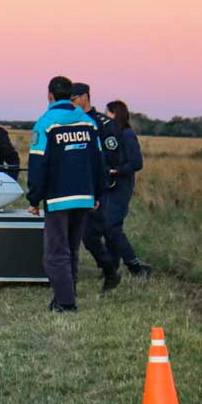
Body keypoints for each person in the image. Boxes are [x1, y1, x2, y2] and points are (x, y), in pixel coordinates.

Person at [27, 76, 104, 313]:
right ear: (71, 96)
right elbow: (98, 161)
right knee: (72, 248)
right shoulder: (88, 122)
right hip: (84, 196)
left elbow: (38, 164)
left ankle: (65, 302)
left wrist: (34, 198)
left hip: (58, 198)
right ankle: (67, 293)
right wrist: (97, 194)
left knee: (55, 253)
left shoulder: (45, 123)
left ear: (50, 95)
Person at [71, 82, 125, 291]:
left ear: (86, 97)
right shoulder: (73, 121)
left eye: (76, 98)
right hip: (77, 186)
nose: (73, 102)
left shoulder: (103, 123)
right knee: (85, 235)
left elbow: (113, 155)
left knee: (98, 232)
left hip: (99, 187)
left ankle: (111, 270)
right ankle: (108, 269)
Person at [101, 100, 151, 277]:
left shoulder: (127, 134)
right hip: (109, 185)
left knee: (111, 226)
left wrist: (116, 170)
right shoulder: (110, 134)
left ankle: (135, 266)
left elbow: (137, 163)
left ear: (116, 114)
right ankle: (112, 267)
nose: (104, 116)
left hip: (122, 185)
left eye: (107, 113)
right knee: (108, 228)